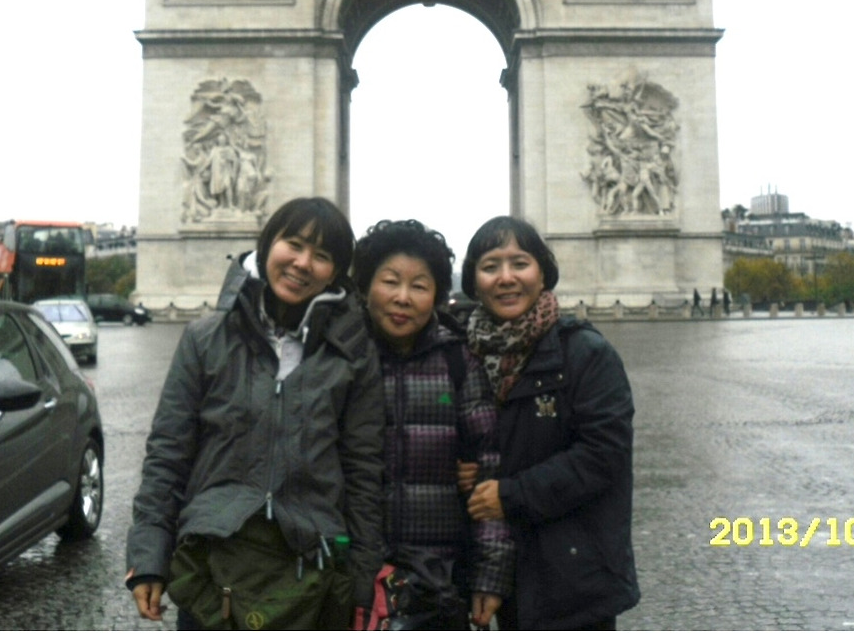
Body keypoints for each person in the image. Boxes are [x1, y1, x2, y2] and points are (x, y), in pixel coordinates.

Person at [125, 196, 384, 630]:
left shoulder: (354, 355)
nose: (303, 263)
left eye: (322, 256)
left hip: (312, 577)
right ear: (266, 244)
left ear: (336, 272)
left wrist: (361, 583)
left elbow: (363, 474)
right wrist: (149, 555)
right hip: (211, 568)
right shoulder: (203, 339)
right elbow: (167, 456)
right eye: (294, 244)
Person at [462, 216, 639, 631]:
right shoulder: (463, 355)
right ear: (473, 281)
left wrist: (511, 494)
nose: (506, 277)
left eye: (519, 263)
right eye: (490, 266)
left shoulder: (587, 353)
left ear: (543, 273)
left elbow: (603, 455)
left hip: (573, 580)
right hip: (499, 573)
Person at [353, 219, 512, 630]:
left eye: (420, 286)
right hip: (352, 577)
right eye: (390, 282)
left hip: (439, 581)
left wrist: (490, 574)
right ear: (365, 287)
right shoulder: (340, 360)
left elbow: (490, 471)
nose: (403, 298)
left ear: (437, 296)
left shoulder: (460, 363)